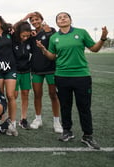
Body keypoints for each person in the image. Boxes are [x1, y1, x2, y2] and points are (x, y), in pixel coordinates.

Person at [37, 12, 108, 150]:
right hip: (62, 76)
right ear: (56, 23)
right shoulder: (54, 38)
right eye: (59, 18)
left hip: (82, 76)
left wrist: (103, 38)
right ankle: (67, 132)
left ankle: (87, 135)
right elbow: (52, 56)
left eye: (65, 17)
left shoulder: (81, 33)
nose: (62, 19)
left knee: (84, 107)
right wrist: (44, 50)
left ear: (70, 20)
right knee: (65, 105)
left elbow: (94, 49)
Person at [22, 12, 62, 132]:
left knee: (53, 95)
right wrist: (25, 18)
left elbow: (56, 44)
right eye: (32, 20)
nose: (35, 22)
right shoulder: (31, 35)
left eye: (37, 19)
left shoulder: (51, 30)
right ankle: (38, 119)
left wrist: (49, 32)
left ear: (41, 19)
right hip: (36, 69)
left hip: (51, 68)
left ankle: (56, 122)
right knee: (37, 95)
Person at [12, 21, 33, 129]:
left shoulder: (30, 40)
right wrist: (26, 17)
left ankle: (23, 119)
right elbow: (13, 26)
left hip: (26, 71)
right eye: (23, 35)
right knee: (13, 96)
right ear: (19, 33)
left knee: (25, 94)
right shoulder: (13, 39)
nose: (25, 37)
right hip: (15, 71)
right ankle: (12, 119)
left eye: (27, 35)